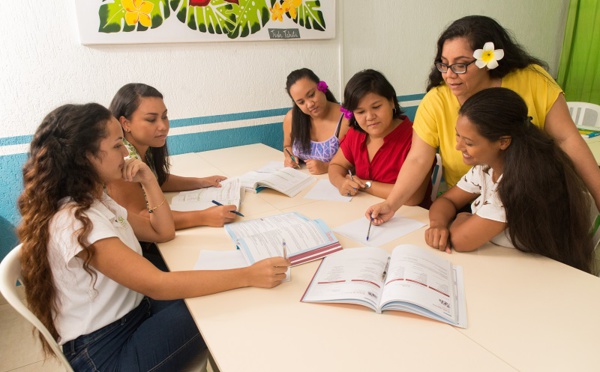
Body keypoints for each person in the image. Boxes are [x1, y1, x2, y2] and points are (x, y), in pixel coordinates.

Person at [17, 103, 290, 371]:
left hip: (133, 312)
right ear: (84, 157)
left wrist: (148, 180)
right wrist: (248, 274)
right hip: (107, 350)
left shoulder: (95, 199)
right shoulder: (76, 222)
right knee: (218, 301)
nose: (126, 151)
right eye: (116, 146)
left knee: (208, 289)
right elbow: (157, 284)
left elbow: (162, 231)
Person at [367, 15, 600, 224]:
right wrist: (392, 204)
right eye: (444, 64)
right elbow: (418, 159)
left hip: (535, 200)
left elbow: (567, 139)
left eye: (460, 65)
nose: (448, 75)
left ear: (488, 60)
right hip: (473, 201)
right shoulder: (436, 100)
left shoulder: (532, 81)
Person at [425, 88, 593, 273]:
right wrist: (438, 225)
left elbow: (460, 240)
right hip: (505, 260)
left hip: (539, 271)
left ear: (503, 142)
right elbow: (447, 200)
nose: (458, 146)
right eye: (458, 135)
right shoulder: (487, 166)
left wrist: (461, 216)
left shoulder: (521, 181)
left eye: (469, 142)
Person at [107, 83, 239, 230]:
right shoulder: (122, 161)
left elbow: (157, 179)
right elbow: (140, 217)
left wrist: (200, 182)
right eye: (151, 120)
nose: (163, 126)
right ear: (125, 124)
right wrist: (204, 216)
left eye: (164, 117)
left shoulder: (143, 147)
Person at [328, 69, 432, 205]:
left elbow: (412, 197)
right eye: (360, 112)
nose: (370, 117)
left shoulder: (417, 137)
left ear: (392, 102)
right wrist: (340, 182)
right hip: (365, 212)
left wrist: (365, 185)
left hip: (409, 218)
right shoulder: (356, 133)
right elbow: (336, 165)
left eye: (376, 107)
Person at [283, 68, 350, 174]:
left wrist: (326, 166)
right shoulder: (291, 118)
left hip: (334, 184)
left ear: (322, 87)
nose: (309, 104)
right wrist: (289, 157)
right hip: (301, 182)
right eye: (301, 102)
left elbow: (356, 162)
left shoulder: (346, 118)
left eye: (311, 95)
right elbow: (287, 146)